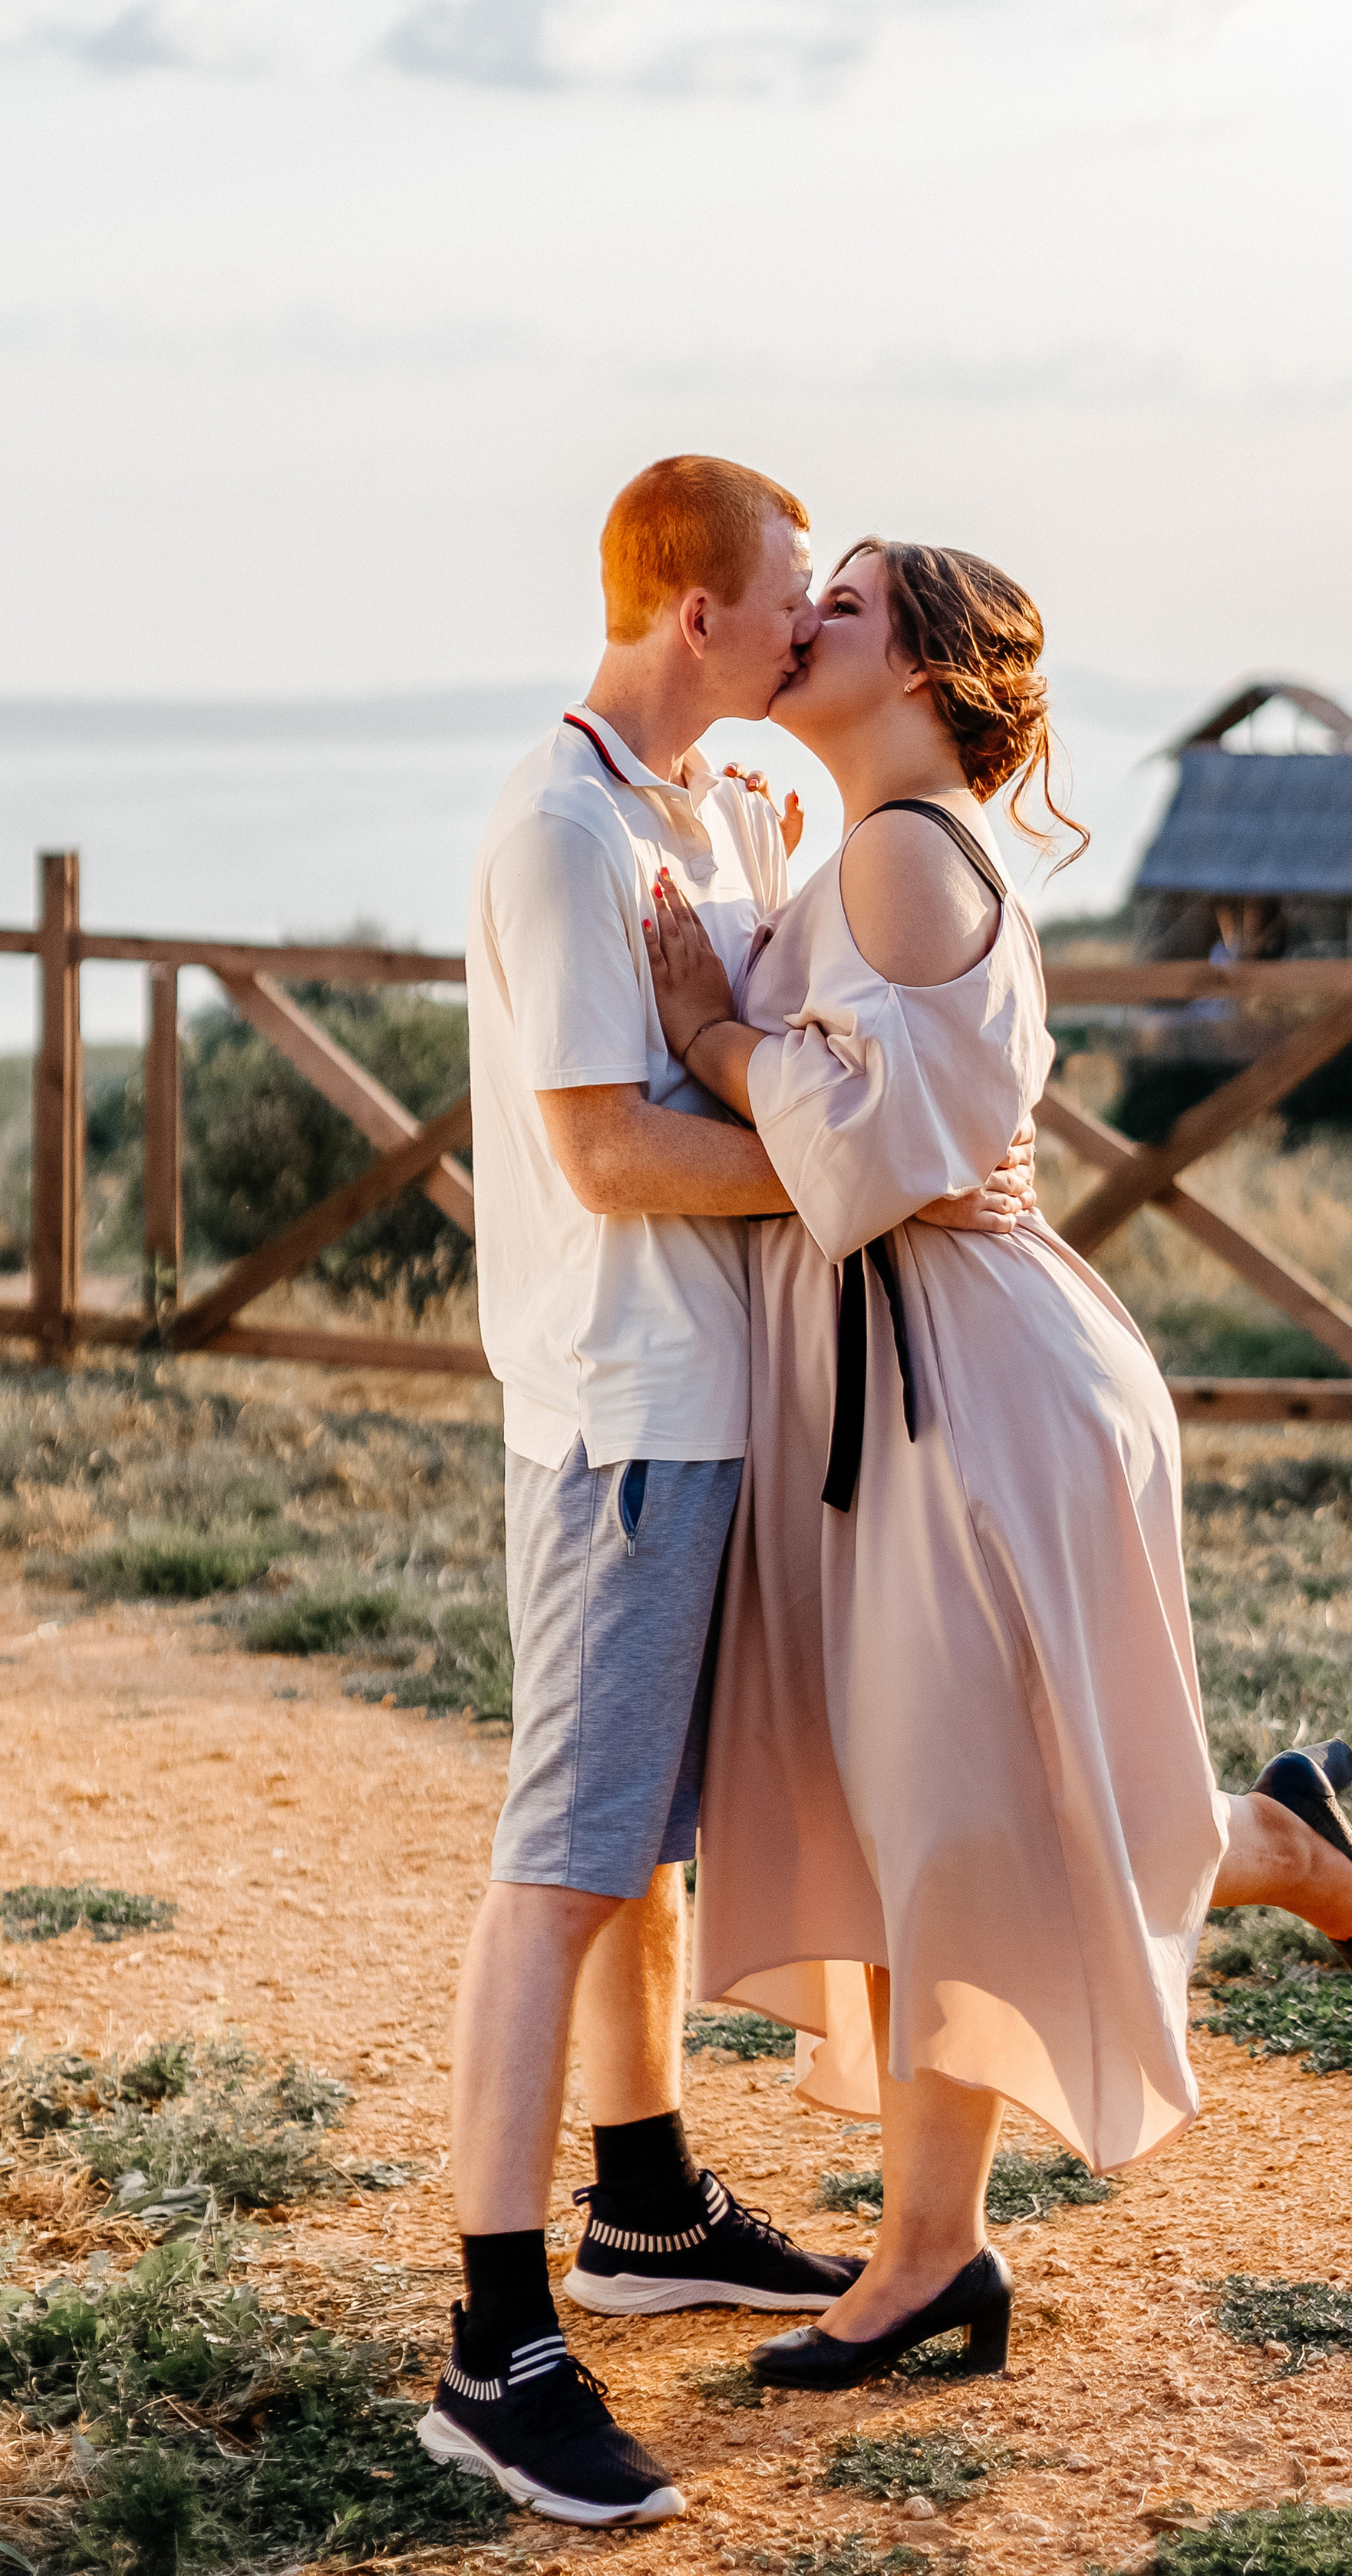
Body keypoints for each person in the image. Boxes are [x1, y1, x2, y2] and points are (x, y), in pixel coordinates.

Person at [641, 537, 1352, 2393]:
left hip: (973, 1384)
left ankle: (929, 2260)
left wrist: (708, 1031)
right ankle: (1263, 1859)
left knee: (969, 1820)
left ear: (914, 668)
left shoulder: (906, 846)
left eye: (843, 600)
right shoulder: (866, 841)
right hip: (910, 1376)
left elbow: (870, 1136)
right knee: (951, 1814)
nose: (802, 612)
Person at [420, 462, 1034, 2527]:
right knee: (572, 1854)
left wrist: (848, 1091)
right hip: (623, 1415)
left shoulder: (705, 814)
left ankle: (646, 2205)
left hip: (718, 1405)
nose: (807, 627)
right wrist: (884, 1154)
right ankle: (495, 2344)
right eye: (792, 600)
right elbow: (606, 1156)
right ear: (702, 616)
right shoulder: (565, 829)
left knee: (648, 1853)